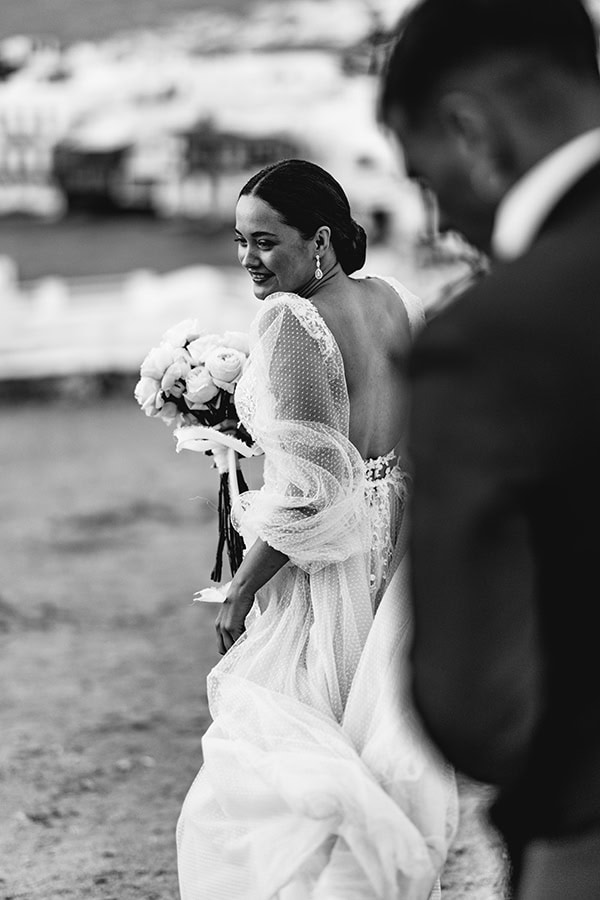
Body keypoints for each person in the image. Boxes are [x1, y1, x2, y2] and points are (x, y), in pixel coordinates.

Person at [176, 159, 458, 899]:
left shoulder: (292, 323)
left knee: (292, 764)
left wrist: (238, 591)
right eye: (240, 242)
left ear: (320, 240)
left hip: (327, 569)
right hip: (394, 550)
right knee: (368, 748)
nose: (248, 260)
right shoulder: (399, 301)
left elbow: (309, 494)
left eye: (265, 242)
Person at [379, 1, 600, 897]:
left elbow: (479, 713)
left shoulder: (495, 337)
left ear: (471, 129)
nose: (441, 219)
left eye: (427, 179)